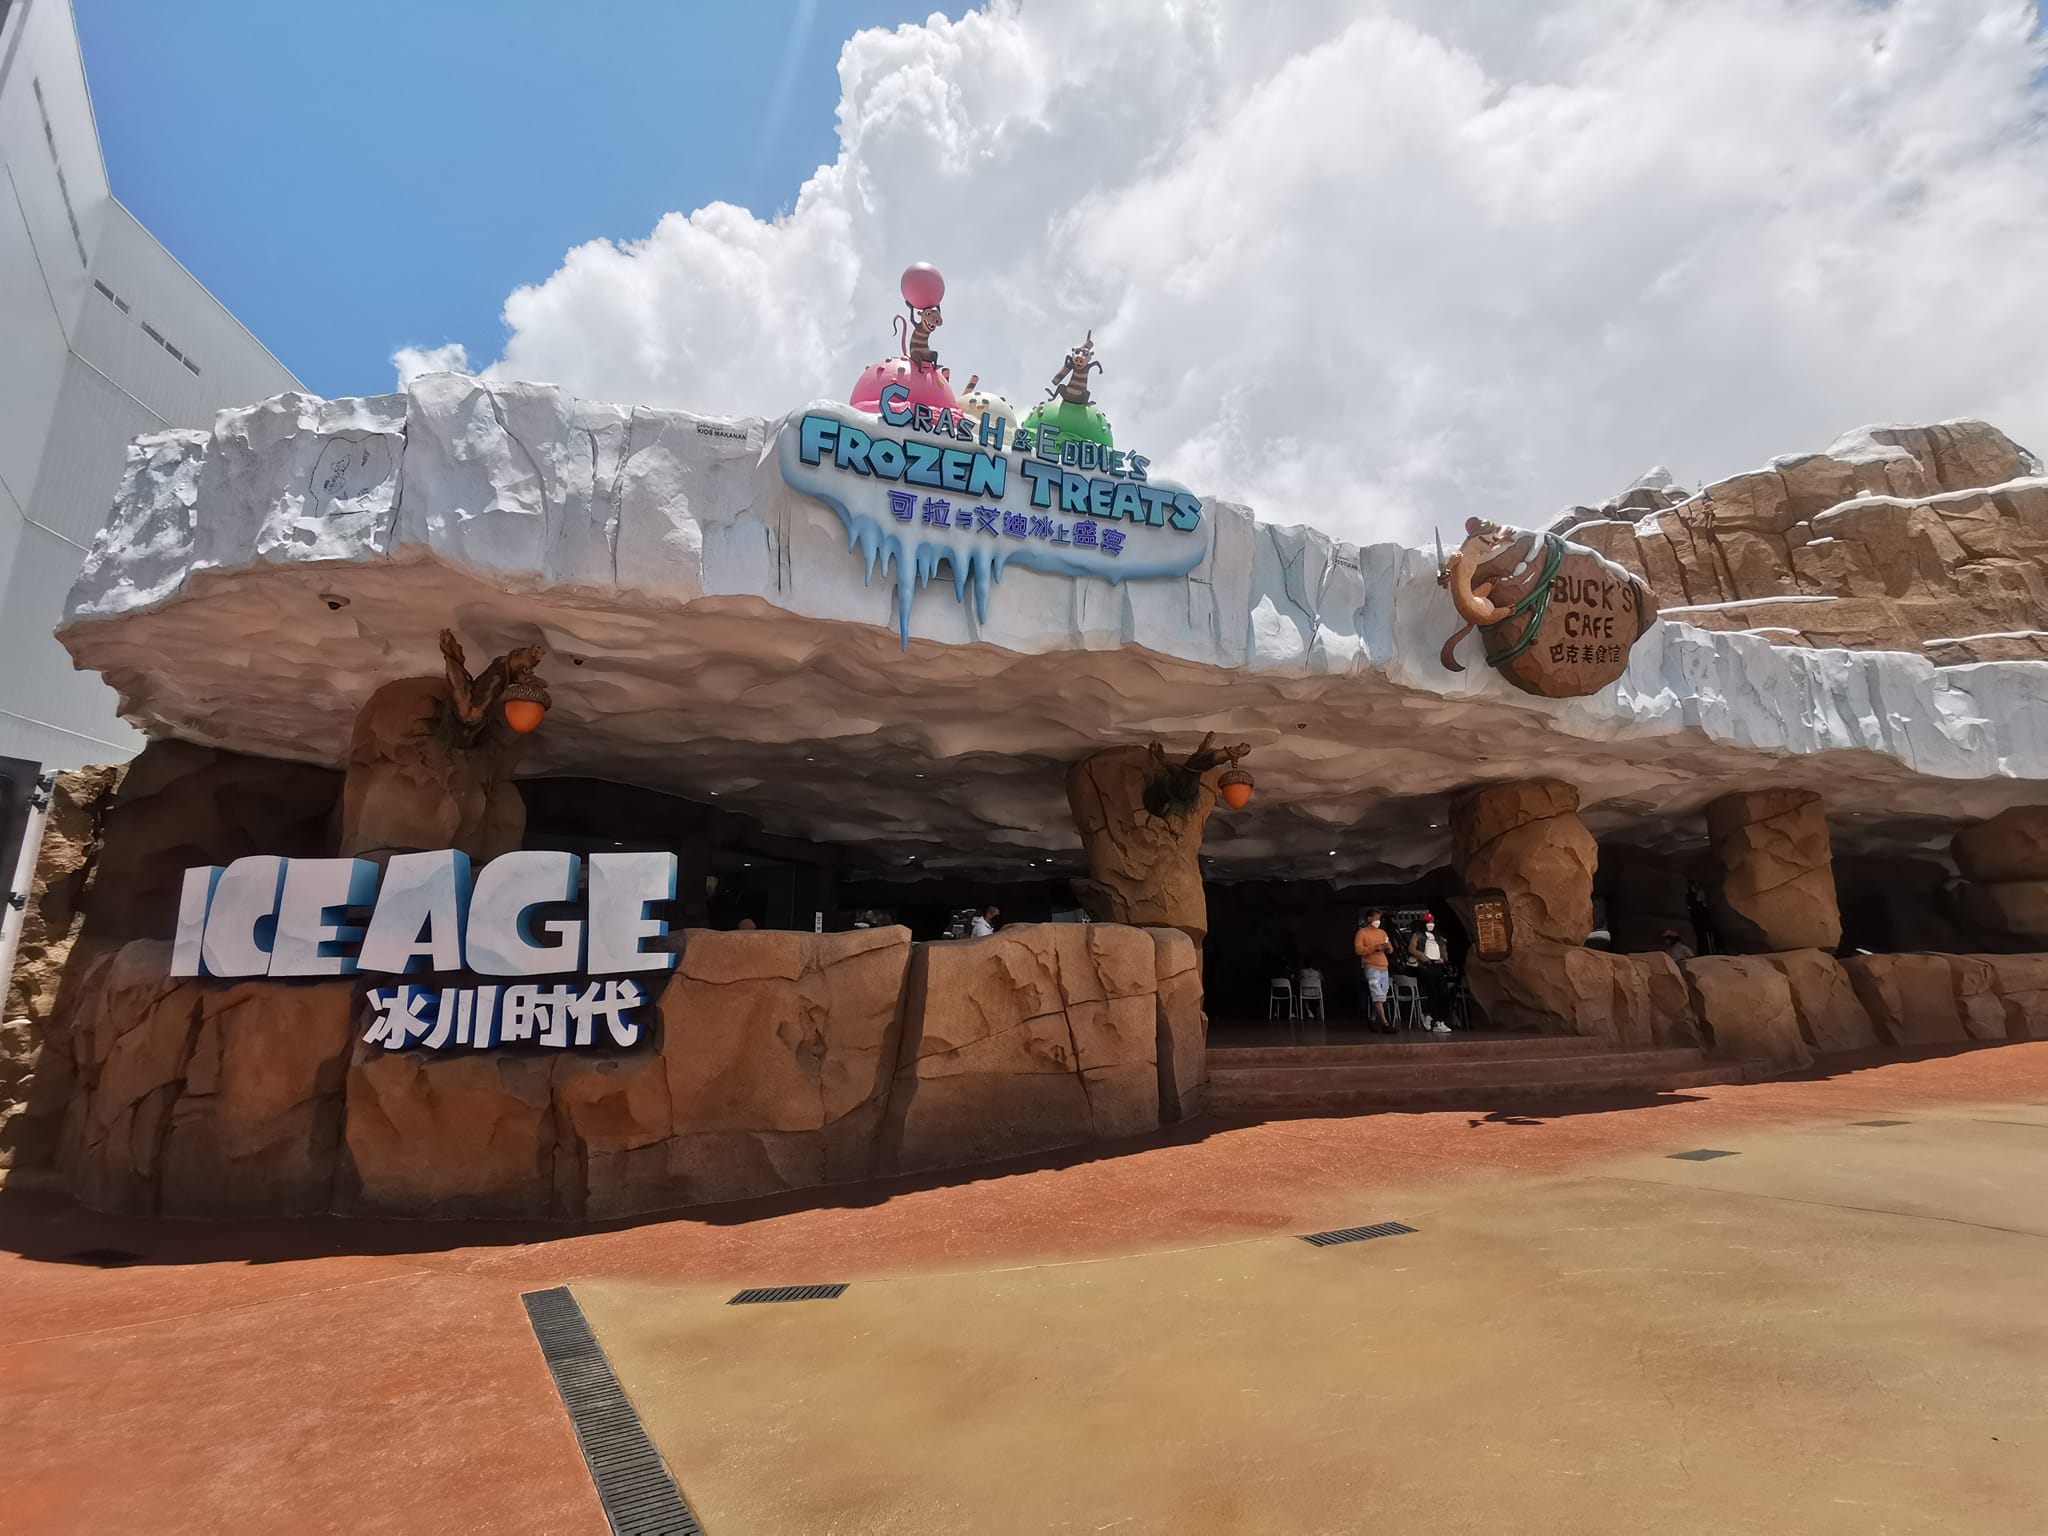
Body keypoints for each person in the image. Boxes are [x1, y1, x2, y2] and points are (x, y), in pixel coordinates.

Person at [1406, 912, 1454, 1034]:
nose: (1430, 925)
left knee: (1443, 992)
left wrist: (1444, 959)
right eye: (1428, 923)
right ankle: (1435, 1020)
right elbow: (1411, 949)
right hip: (1426, 966)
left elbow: (1443, 948)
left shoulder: (1438, 936)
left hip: (1438, 965)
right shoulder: (1418, 935)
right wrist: (1423, 957)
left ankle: (1439, 1019)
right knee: (1432, 992)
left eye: (1432, 922)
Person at [1354, 911, 1394, 1032]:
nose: (1378, 921)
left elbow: (1390, 949)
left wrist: (1387, 947)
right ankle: (1385, 1023)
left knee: (1382, 995)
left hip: (1384, 966)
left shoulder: (1382, 932)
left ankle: (1372, 1018)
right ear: (1369, 918)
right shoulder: (1362, 933)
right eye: (1375, 918)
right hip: (1371, 966)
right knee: (1377, 994)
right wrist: (1375, 948)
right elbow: (1359, 950)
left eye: (1379, 918)